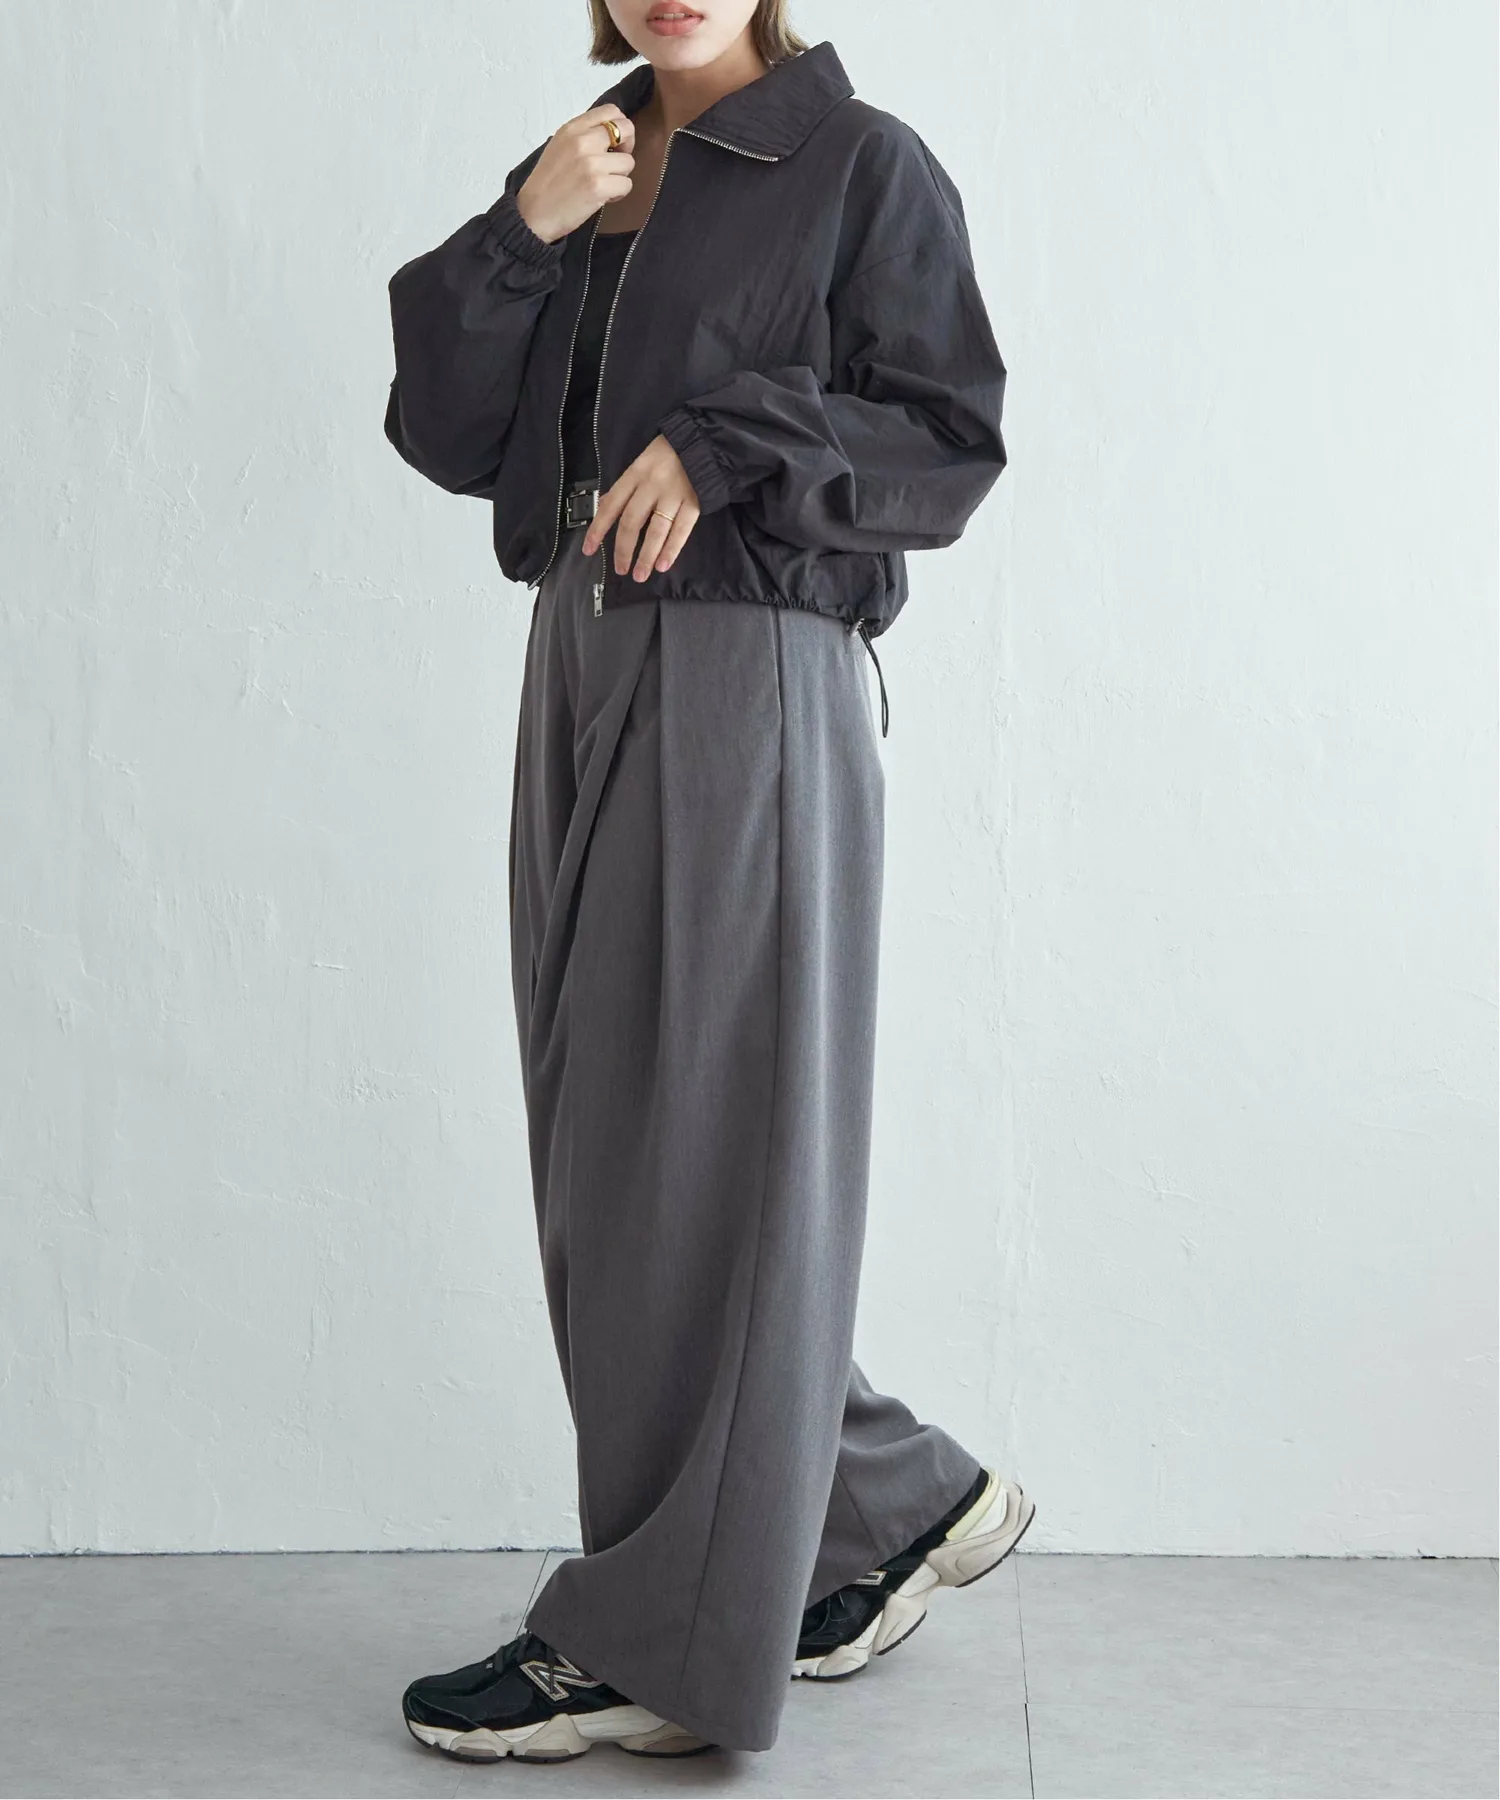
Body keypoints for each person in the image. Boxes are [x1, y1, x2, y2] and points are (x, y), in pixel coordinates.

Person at [382, 0, 1032, 1764]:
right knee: (613, 1148)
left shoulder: (858, 164)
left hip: (749, 664)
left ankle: (657, 1638)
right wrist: (519, 233)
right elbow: (445, 431)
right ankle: (880, 1504)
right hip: (579, 650)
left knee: (691, 1153)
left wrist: (730, 440)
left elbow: (948, 436)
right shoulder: (587, 165)